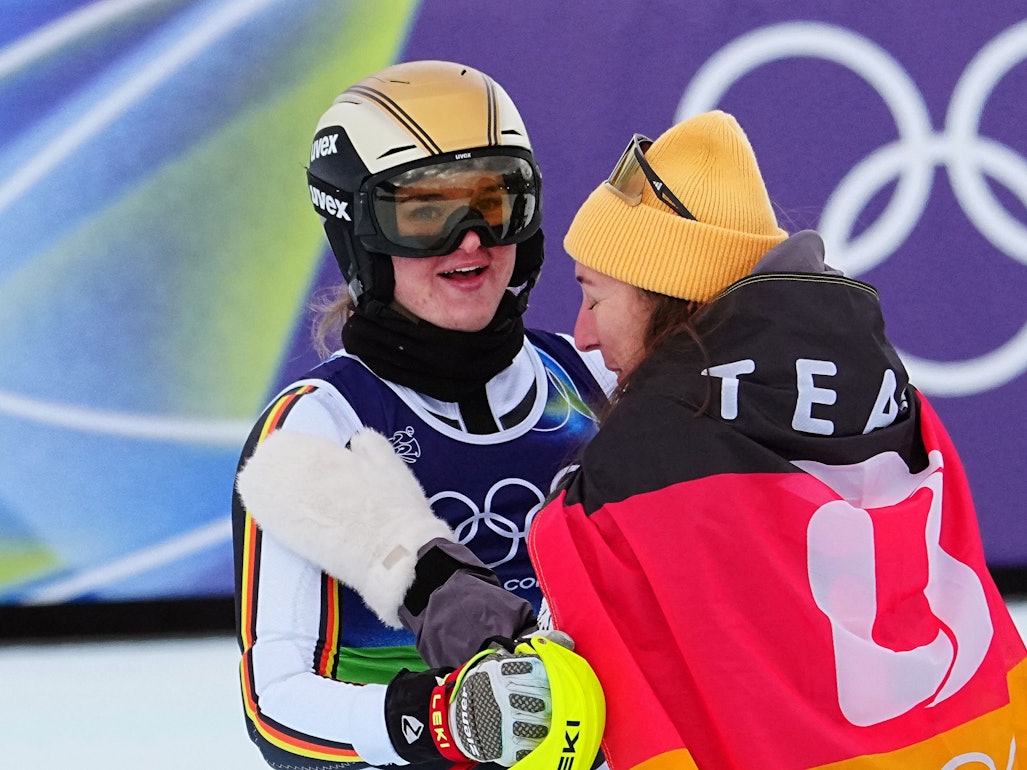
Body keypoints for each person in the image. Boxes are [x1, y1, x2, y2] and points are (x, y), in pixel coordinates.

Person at [526, 110, 1027, 768]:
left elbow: (604, 714)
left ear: (663, 291)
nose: (582, 334)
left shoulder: (635, 466)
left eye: (593, 297)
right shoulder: (894, 394)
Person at [231, 60, 611, 770]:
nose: (469, 239)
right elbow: (275, 708)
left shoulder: (592, 379)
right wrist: (442, 723)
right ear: (360, 236)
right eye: (425, 212)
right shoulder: (319, 427)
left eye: (494, 202)